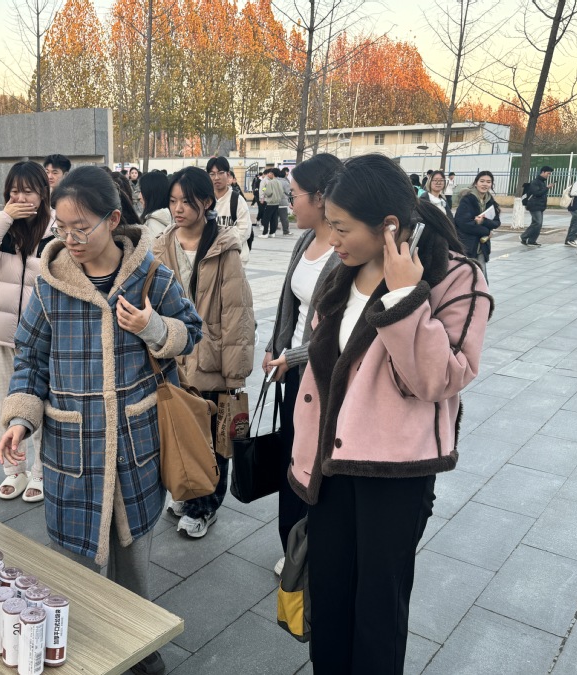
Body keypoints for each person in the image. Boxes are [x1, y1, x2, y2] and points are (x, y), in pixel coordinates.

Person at [289, 153, 491, 675]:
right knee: (329, 596)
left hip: (393, 473)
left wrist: (404, 296)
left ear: (389, 226)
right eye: (329, 224)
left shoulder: (456, 278)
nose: (332, 238)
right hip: (330, 462)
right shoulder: (344, 269)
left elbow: (441, 378)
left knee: (379, 607)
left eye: (341, 227)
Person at [0, 165, 201, 675]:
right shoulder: (51, 286)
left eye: (81, 228)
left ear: (112, 220)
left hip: (135, 445)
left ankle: (140, 650)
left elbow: (191, 331)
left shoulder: (151, 275)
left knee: (133, 564)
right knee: (73, 564)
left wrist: (153, 327)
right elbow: (30, 359)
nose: (71, 240)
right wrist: (20, 420)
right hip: (73, 448)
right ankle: (80, 654)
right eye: (62, 229)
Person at [153, 167, 255, 538]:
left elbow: (237, 313)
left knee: (213, 438)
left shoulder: (224, 248)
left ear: (207, 202)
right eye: (173, 201)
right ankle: (186, 492)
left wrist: (235, 372)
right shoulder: (160, 246)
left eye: (187, 201)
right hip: (172, 356)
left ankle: (206, 506)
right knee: (180, 432)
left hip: (210, 358)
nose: (178, 209)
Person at [262, 153, 342, 575]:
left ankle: (310, 549)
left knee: (313, 462)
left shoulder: (345, 251)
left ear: (321, 197)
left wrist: (290, 357)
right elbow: (287, 303)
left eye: (294, 196)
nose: (289, 204)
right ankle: (292, 543)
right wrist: (274, 346)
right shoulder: (305, 239)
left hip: (320, 376)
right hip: (290, 371)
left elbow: (339, 330)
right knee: (290, 457)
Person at [0, 161, 54, 502]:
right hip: (3, 334)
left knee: (41, 405)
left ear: (43, 193)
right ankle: (13, 470)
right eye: (14, 191)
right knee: (6, 405)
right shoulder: (4, 229)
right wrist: (4, 216)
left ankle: (41, 472)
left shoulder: (55, 230)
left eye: (28, 191)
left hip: (42, 338)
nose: (20, 198)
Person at [454, 171, 500, 280]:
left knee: (482, 278)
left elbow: (496, 222)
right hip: (468, 245)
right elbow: (462, 223)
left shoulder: (490, 201)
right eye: (482, 181)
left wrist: (483, 221)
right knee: (468, 278)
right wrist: (486, 231)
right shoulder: (467, 199)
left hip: (482, 246)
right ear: (476, 183)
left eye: (488, 182)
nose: (485, 184)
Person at [207, 156, 252, 266]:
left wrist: (223, 246)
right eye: (212, 174)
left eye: (220, 173)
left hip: (234, 259)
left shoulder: (237, 200)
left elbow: (244, 230)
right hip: (211, 259)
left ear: (228, 175)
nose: (216, 178)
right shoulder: (205, 201)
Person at [520, 165, 554, 248]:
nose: (549, 175)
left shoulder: (542, 182)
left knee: (538, 224)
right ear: (543, 172)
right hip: (534, 205)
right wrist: (547, 188)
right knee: (537, 223)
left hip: (540, 206)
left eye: (550, 174)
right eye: (548, 173)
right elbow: (537, 193)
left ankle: (531, 241)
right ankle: (523, 236)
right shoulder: (535, 182)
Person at [139, 170, 172, 238]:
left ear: (152, 194)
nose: (139, 196)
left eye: (142, 191)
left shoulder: (153, 225)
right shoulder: (168, 218)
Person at [258, 168, 282, 238]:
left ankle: (265, 233)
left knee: (266, 218)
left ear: (272, 174)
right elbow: (281, 192)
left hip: (270, 202)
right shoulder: (279, 182)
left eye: (270, 173)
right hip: (277, 202)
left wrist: (264, 190)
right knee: (274, 218)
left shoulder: (270, 182)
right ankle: (272, 232)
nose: (269, 174)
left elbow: (268, 192)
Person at [278, 167, 293, 235]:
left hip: (274, 201)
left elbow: (264, 189)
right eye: (287, 172)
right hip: (282, 201)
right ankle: (286, 230)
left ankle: (271, 230)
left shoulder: (274, 181)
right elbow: (288, 192)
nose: (287, 173)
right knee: (284, 217)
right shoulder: (285, 182)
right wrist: (291, 201)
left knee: (275, 216)